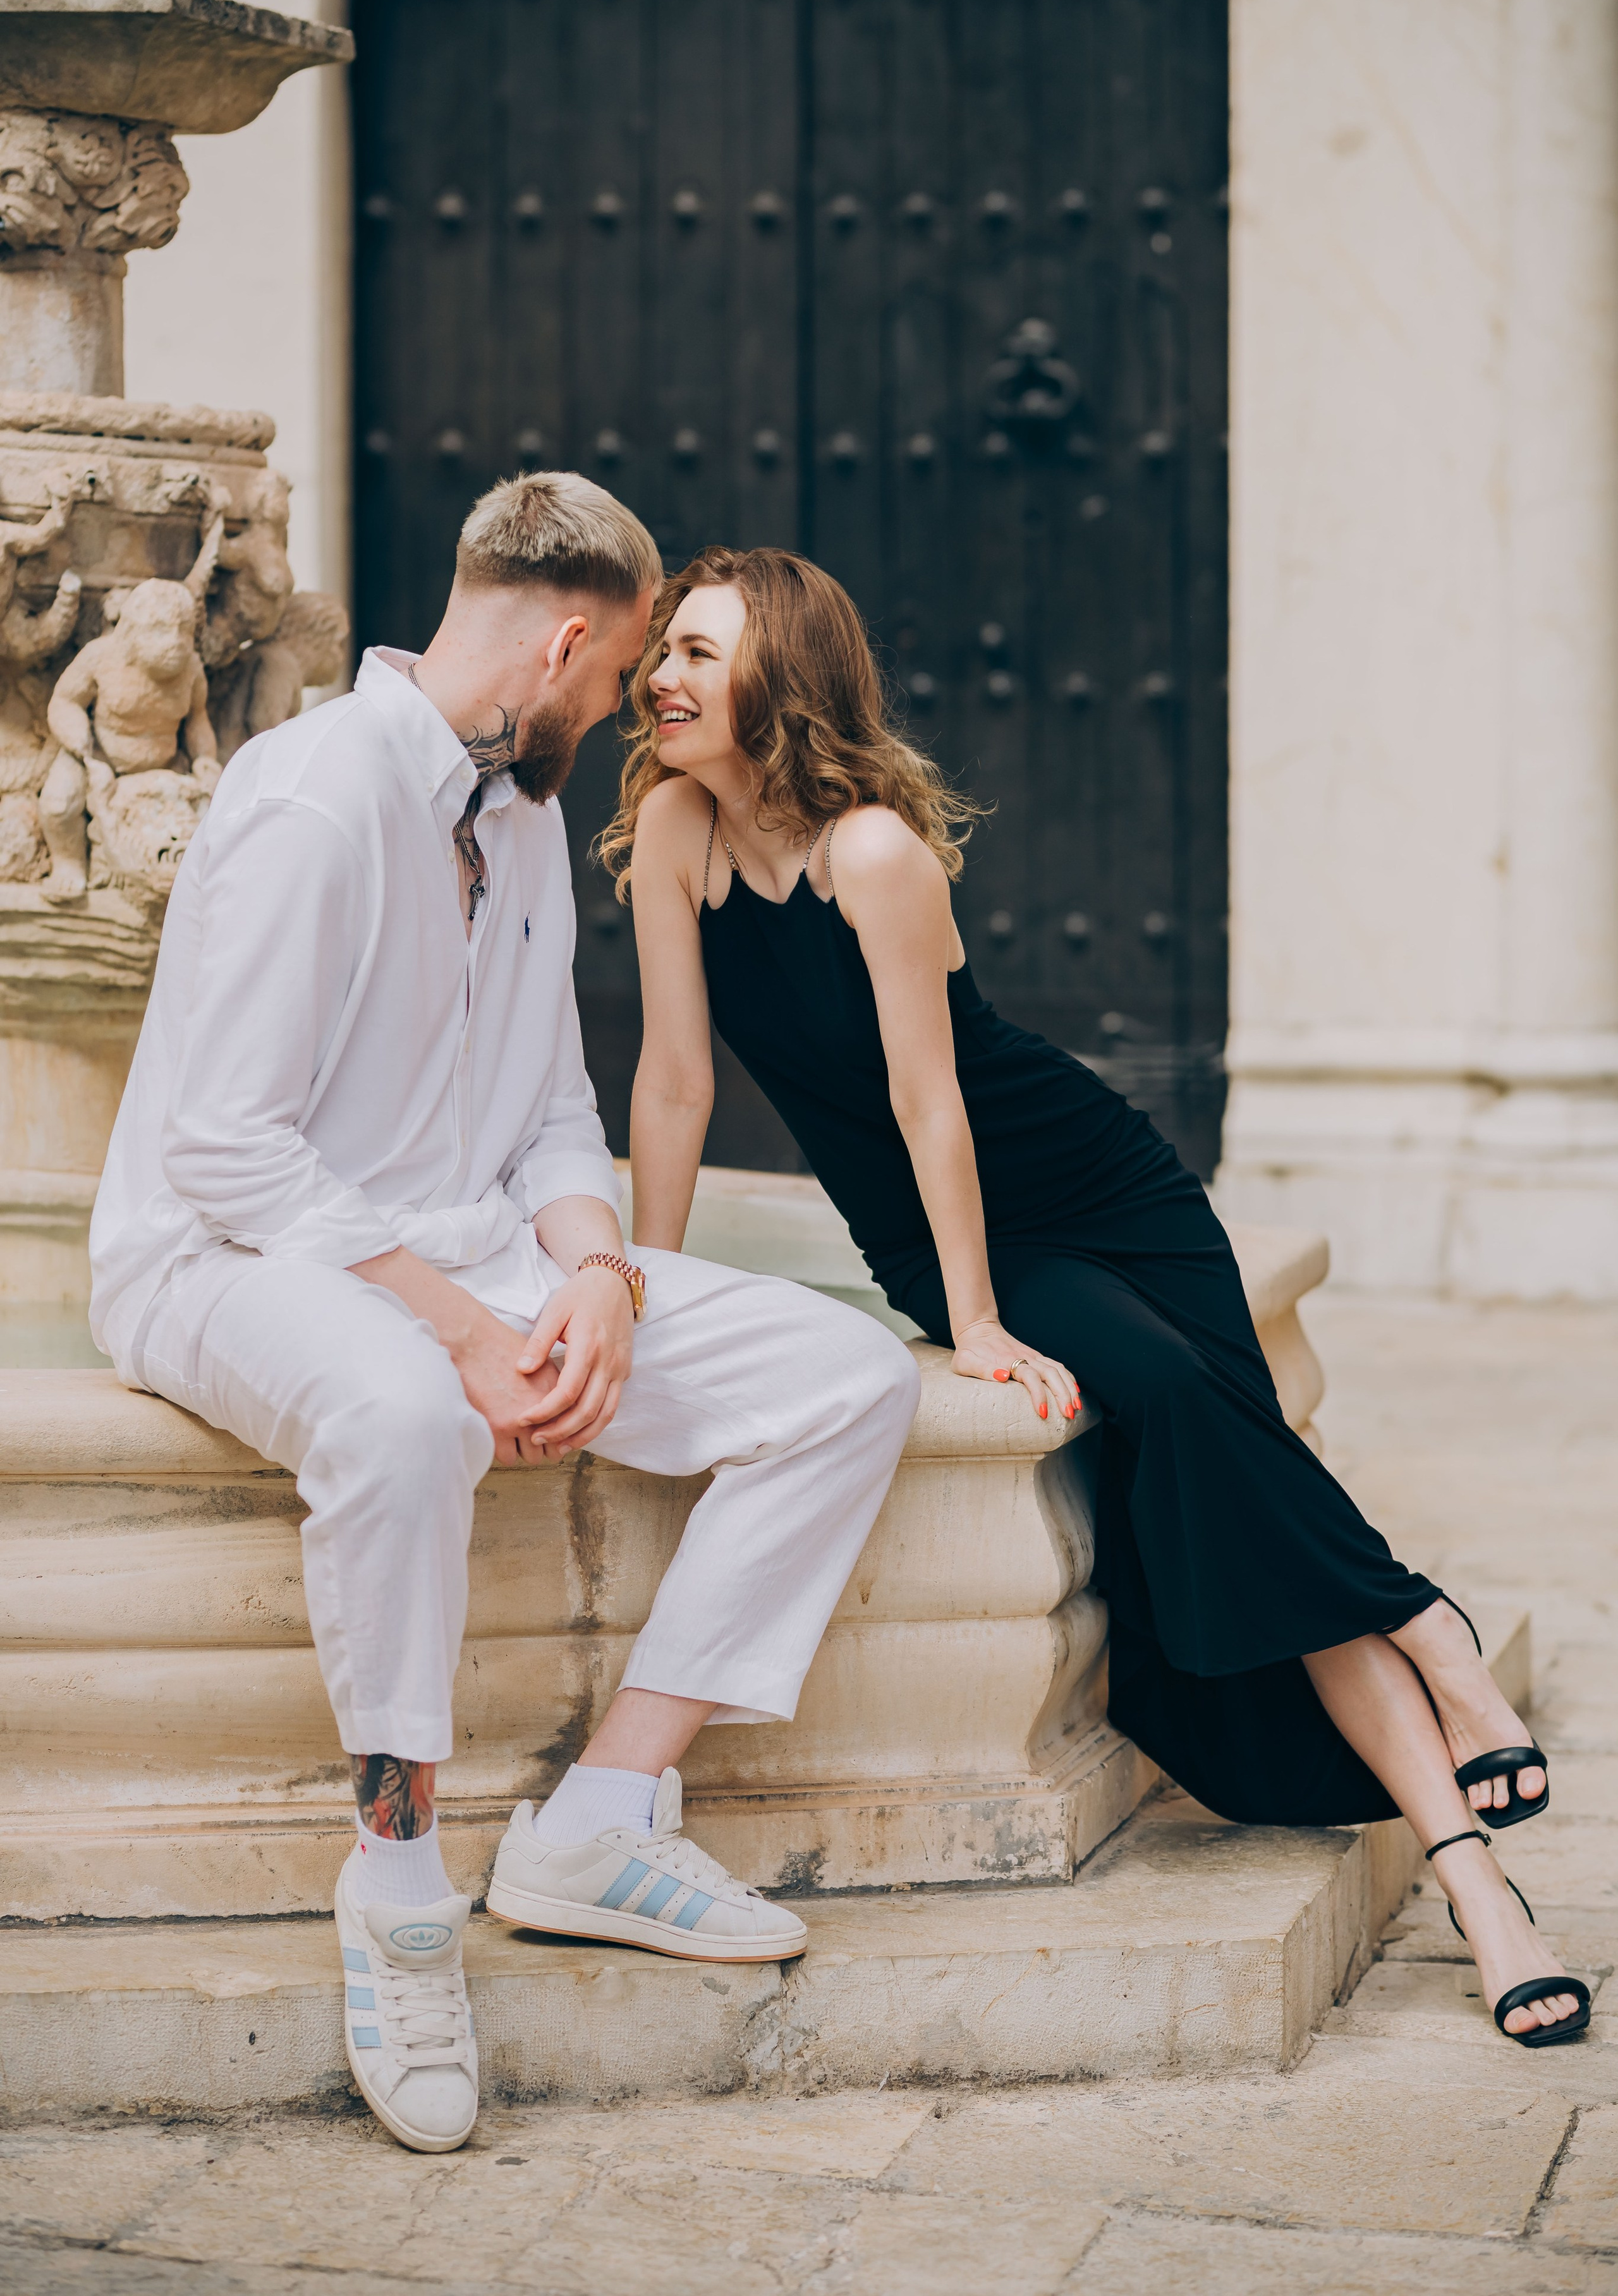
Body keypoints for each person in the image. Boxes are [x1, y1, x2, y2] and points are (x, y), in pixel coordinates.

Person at [605, 544, 1589, 2055]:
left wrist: (983, 1322)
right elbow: (673, 1081)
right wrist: (646, 1283)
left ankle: (1469, 1857)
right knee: (1224, 1443)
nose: (660, 676)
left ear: (778, 679)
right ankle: (1436, 1679)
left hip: (1077, 1187)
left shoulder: (870, 851)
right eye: (662, 647)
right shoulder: (673, 832)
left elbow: (932, 1105)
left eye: (696, 651)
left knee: (1207, 1435)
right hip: (942, 1237)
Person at [88, 483, 921, 2156]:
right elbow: (225, 1145)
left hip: (482, 1248)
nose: (619, 712)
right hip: (225, 1257)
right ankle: (398, 1888)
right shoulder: (311, 800)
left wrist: (601, 1275)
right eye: (615, 677)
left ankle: (605, 1814)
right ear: (560, 643)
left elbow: (552, 1107)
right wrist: (463, 1333)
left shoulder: (527, 818)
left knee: (841, 1377)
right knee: (402, 1416)